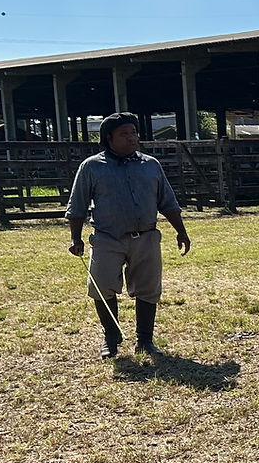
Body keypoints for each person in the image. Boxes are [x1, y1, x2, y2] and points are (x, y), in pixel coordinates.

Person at [65, 112, 191, 359]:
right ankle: (111, 337)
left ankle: (145, 340)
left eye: (134, 132)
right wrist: (75, 238)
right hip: (107, 238)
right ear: (109, 137)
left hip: (146, 237)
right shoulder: (91, 167)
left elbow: (167, 201)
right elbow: (77, 205)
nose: (132, 138)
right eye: (125, 134)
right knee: (101, 286)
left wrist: (181, 231)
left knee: (148, 288)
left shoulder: (150, 165)